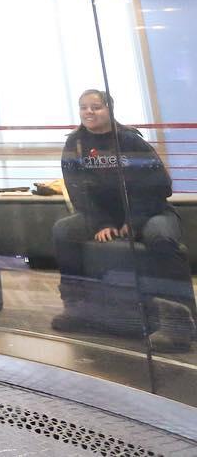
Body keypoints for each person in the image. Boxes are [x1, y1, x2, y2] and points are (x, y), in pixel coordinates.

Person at [51, 88, 195, 351]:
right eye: (84, 107)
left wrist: (135, 221)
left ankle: (179, 322)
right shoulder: (75, 145)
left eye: (96, 107)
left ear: (110, 109)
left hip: (150, 212)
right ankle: (76, 308)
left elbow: (160, 185)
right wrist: (103, 223)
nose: (89, 112)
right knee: (63, 230)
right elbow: (78, 191)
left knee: (160, 235)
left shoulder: (132, 142)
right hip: (101, 216)